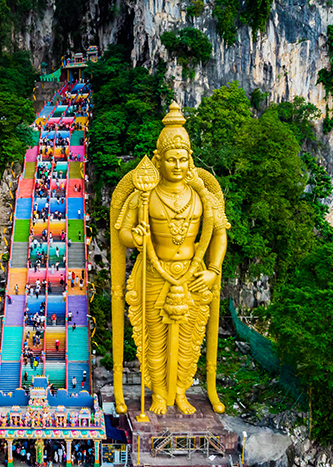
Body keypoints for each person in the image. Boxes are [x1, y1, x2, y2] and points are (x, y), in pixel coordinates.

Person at [110, 102, 229, 417]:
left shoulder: (202, 195)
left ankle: (180, 392)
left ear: (190, 160)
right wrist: (135, 237)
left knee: (190, 338)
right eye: (171, 160)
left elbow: (219, 233)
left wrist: (213, 270)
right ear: (158, 160)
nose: (177, 166)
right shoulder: (143, 195)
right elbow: (121, 233)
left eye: (182, 159)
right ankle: (159, 395)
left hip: (192, 272)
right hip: (153, 271)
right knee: (153, 339)